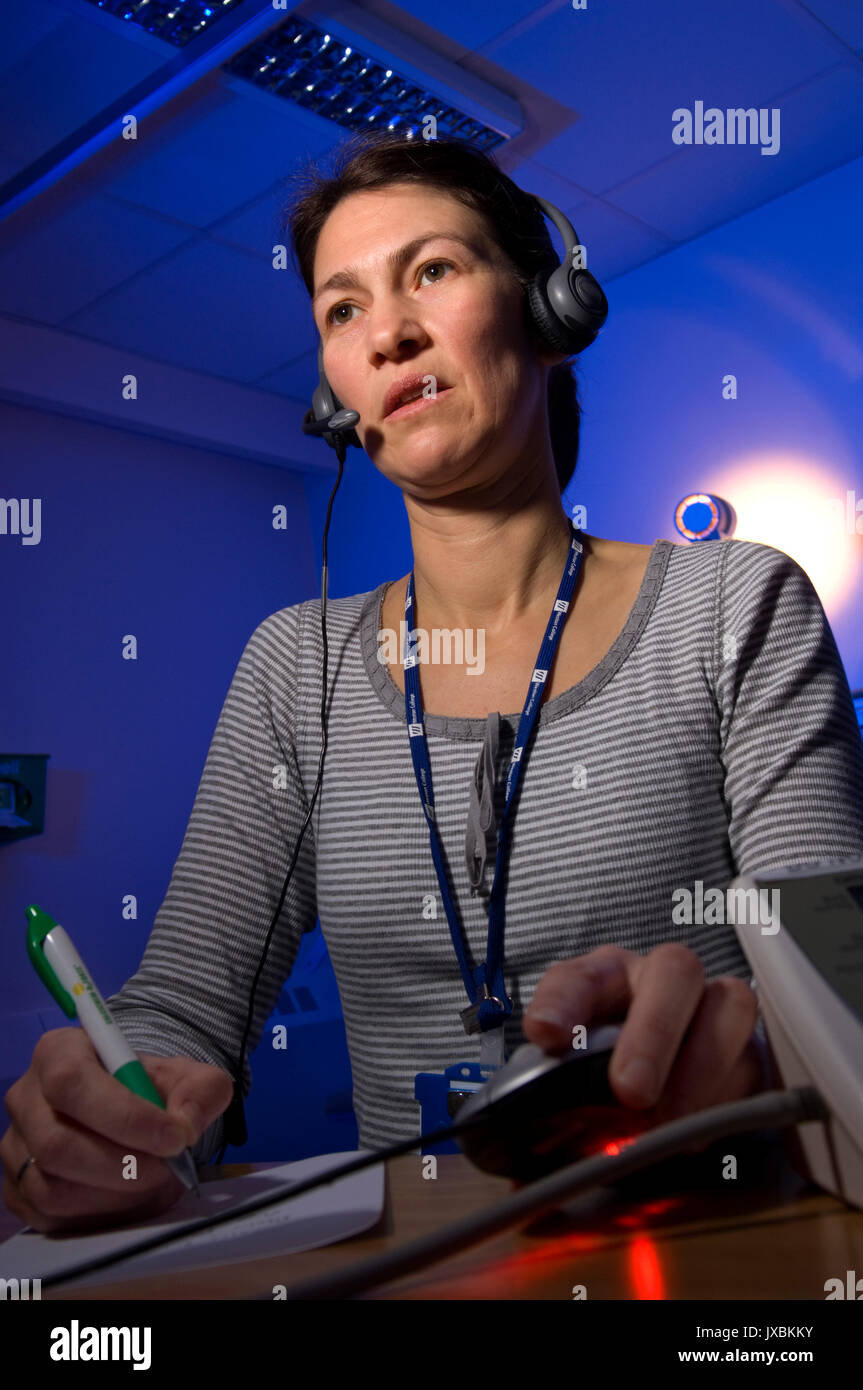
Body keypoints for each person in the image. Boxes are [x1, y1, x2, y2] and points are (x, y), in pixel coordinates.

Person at [4, 134, 863, 1235]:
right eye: (340, 311)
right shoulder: (291, 664)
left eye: (433, 272)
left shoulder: (732, 605)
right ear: (337, 401)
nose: (388, 332)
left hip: (716, 1243)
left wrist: (750, 1051)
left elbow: (836, 985)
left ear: (550, 309)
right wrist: (112, 1127)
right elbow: (183, 1010)